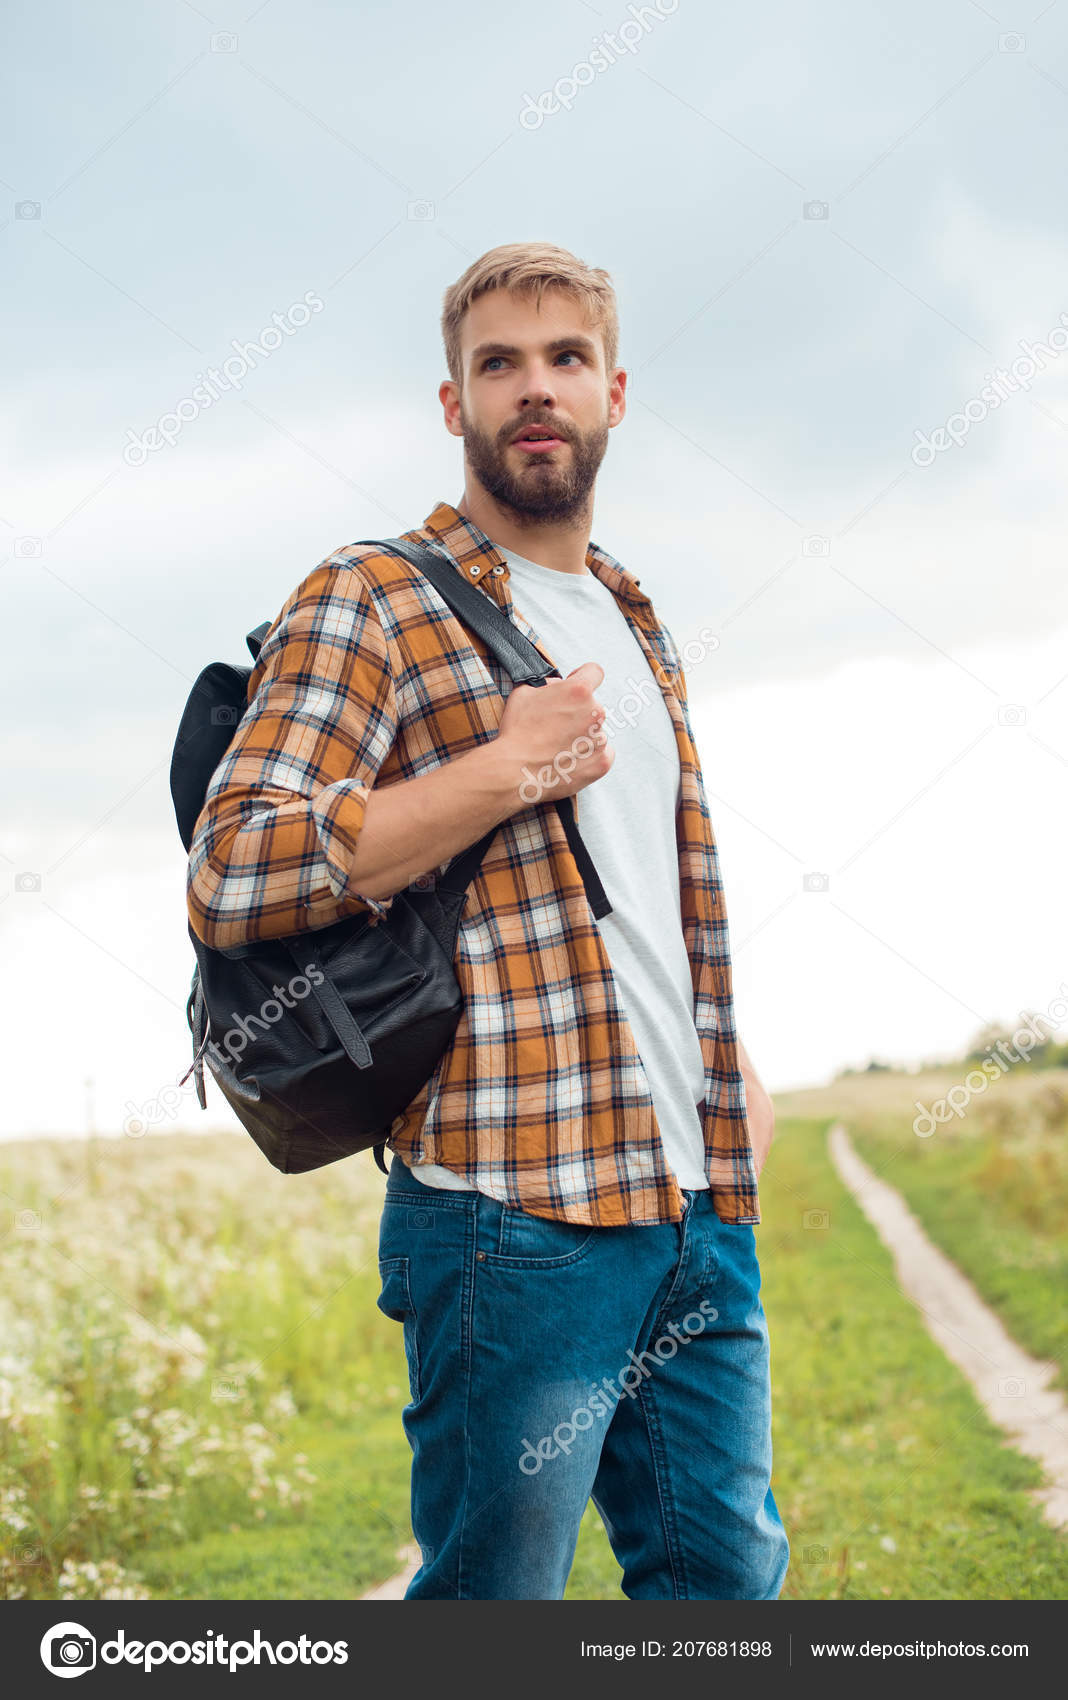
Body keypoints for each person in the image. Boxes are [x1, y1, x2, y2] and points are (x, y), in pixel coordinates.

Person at [186, 240, 790, 1601]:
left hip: (696, 1201)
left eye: (565, 360)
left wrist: (723, 1075)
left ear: (614, 394)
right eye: (498, 365)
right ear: (452, 404)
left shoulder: (638, 615)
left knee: (725, 1590)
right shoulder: (373, 596)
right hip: (511, 1212)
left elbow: (648, 895)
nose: (536, 390)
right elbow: (236, 868)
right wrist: (504, 766)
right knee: (492, 1608)